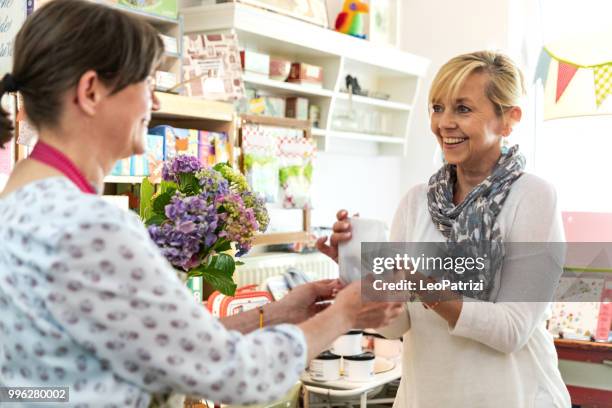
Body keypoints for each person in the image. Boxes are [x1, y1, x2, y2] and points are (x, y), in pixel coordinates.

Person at [0, 1, 404, 406]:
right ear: (91, 91)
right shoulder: (91, 226)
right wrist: (344, 315)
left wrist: (280, 313)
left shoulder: (16, 206)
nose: (154, 104)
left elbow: (172, 347)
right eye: (146, 84)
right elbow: (235, 375)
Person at [317, 51, 571, 407]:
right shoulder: (415, 202)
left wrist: (419, 282)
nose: (444, 123)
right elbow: (394, 324)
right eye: (437, 108)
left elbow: (511, 330)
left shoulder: (533, 197)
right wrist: (355, 269)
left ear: (508, 119)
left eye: (463, 109)